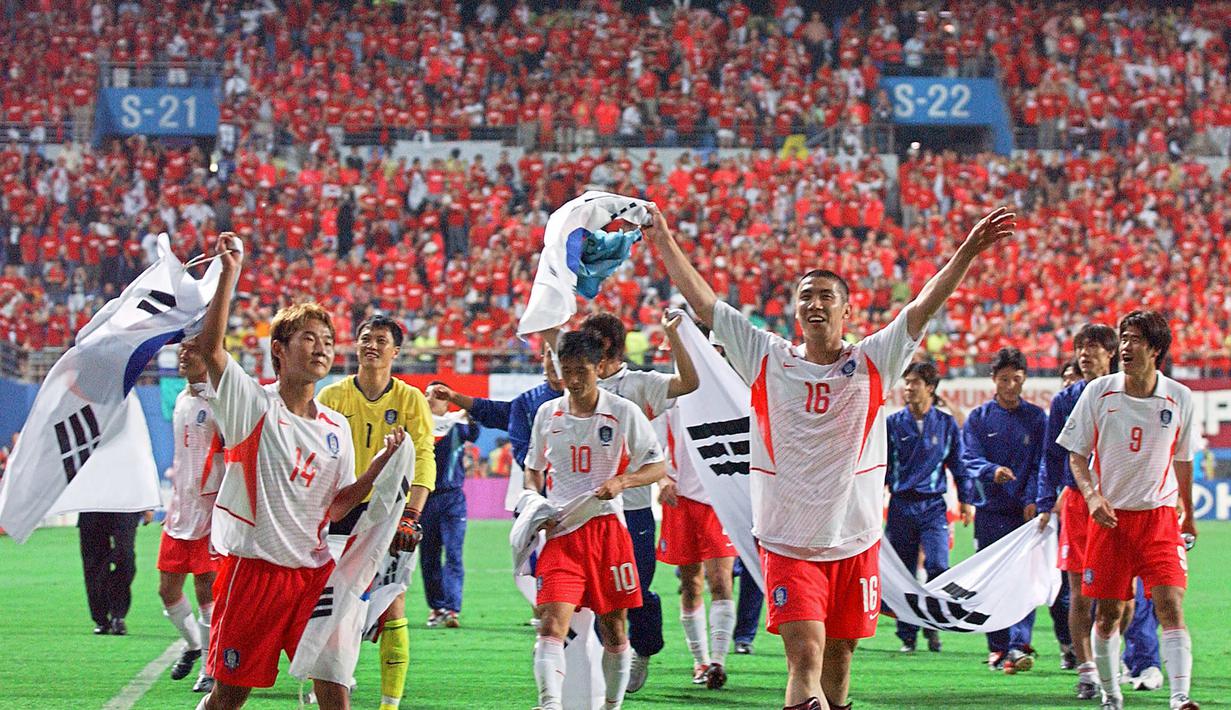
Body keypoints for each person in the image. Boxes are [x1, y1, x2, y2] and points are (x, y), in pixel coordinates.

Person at [644, 202, 1016, 710]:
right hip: (788, 541)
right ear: (795, 311)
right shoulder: (766, 355)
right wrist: (662, 236)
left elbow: (922, 308)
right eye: (805, 297)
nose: (814, 304)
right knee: (805, 656)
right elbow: (707, 304)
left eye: (825, 296)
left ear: (846, 310)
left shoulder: (874, 360)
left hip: (855, 542)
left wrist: (968, 250)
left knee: (840, 661)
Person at [196, 233, 407, 710]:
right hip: (253, 574)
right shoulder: (252, 405)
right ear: (279, 349)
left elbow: (336, 506)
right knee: (229, 696)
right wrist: (230, 273)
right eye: (308, 338)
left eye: (328, 341)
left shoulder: (336, 426)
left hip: (314, 577)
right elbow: (211, 351)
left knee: (335, 689)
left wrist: (376, 472)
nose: (321, 348)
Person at [1057, 310, 1200, 710]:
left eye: (1134, 338)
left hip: (1158, 519)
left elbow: (1184, 460)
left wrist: (1188, 511)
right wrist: (1092, 496)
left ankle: (1180, 696)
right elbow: (1076, 455)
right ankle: (1111, 694)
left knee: (1170, 603)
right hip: (1111, 519)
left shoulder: (1180, 397)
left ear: (1155, 349)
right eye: (1123, 337)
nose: (1124, 346)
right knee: (1108, 615)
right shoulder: (1099, 392)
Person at [525, 330, 667, 710]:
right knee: (551, 624)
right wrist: (533, 502)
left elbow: (658, 465)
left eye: (581, 371)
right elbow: (532, 469)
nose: (573, 380)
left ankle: (611, 706)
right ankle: (549, 704)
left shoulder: (622, 412)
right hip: (561, 533)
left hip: (607, 532)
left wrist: (623, 480)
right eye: (566, 371)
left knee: (614, 629)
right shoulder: (547, 414)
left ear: (599, 368)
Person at [317, 314, 437, 710]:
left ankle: (389, 704)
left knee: (391, 603)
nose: (372, 345)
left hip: (390, 516)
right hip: (342, 511)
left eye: (381, 340)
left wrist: (411, 516)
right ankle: (335, 680)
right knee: (330, 602)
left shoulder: (410, 400)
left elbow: (423, 459)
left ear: (396, 351)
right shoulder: (332, 397)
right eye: (366, 338)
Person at [579, 310, 699, 693]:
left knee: (635, 589)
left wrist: (673, 338)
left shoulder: (640, 384)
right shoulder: (579, 386)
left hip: (632, 507)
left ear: (608, 347)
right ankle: (608, 661)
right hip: (589, 508)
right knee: (595, 592)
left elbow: (689, 382)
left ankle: (643, 649)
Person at [1038, 324, 1148, 698]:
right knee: (1079, 594)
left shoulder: (1130, 393)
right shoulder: (1064, 399)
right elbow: (1052, 456)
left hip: (1119, 502)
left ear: (1111, 353)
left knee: (1124, 598)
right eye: (1081, 348)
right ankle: (1087, 671)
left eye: (1094, 347)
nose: (1085, 354)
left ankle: (1108, 656)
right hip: (1077, 502)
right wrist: (1044, 500)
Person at [961, 346, 1048, 674]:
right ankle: (998, 648)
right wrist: (990, 470)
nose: (1011, 385)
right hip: (991, 512)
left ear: (1024, 379)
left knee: (1024, 582)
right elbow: (968, 457)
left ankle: (1018, 644)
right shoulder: (979, 418)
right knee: (993, 582)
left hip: (1024, 515)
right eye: (1004, 379)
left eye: (1016, 378)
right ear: (993, 380)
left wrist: (1034, 499)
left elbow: (1042, 463)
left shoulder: (1037, 418)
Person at [885, 361, 977, 654]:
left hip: (934, 507)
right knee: (904, 573)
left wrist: (966, 500)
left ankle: (934, 627)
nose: (908, 388)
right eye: (906, 382)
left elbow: (958, 465)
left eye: (914, 382)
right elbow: (881, 467)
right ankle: (907, 634)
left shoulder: (946, 424)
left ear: (930, 388)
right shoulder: (892, 424)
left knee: (939, 566)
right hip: (901, 506)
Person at [158, 338, 225, 693]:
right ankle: (193, 645)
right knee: (167, 590)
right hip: (178, 512)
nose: (184, 355)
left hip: (209, 513)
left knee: (205, 591)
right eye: (182, 350)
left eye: (192, 351)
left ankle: (209, 666)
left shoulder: (218, 399)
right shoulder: (182, 399)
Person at [656, 404, 738, 688]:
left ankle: (718, 661)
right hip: (681, 499)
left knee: (720, 580)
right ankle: (700, 660)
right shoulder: (672, 397)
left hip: (720, 499)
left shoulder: (727, 388)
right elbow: (652, 447)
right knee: (690, 584)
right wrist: (662, 478)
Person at [420, 380, 480, 628]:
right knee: (429, 556)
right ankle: (437, 607)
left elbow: (474, 432)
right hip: (424, 498)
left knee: (454, 553)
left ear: (447, 400)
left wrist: (468, 411)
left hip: (453, 499)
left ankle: (452, 609)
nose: (429, 398)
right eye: (426, 394)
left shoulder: (457, 424)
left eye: (436, 395)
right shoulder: (419, 425)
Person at [79, 509, 150, 636]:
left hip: (125, 506)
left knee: (125, 557)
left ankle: (118, 615)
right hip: (91, 506)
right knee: (94, 564)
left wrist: (149, 505)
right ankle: (101, 618)